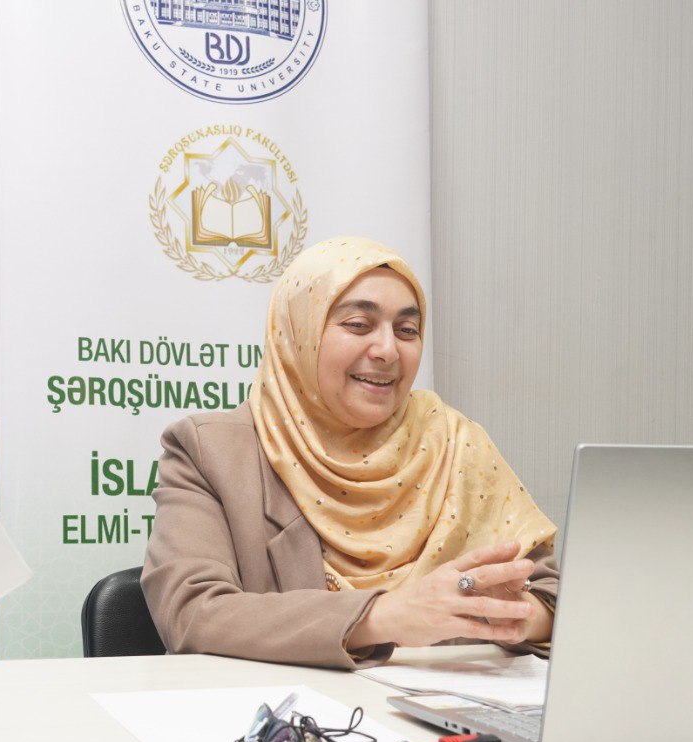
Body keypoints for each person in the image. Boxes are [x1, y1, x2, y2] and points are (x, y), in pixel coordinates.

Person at [141, 236, 559, 669]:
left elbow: (552, 598)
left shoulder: (455, 442)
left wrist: (515, 617)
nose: (387, 350)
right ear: (299, 333)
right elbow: (192, 612)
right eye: (359, 325)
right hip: (290, 709)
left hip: (445, 707)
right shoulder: (212, 451)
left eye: (407, 330)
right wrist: (382, 617)